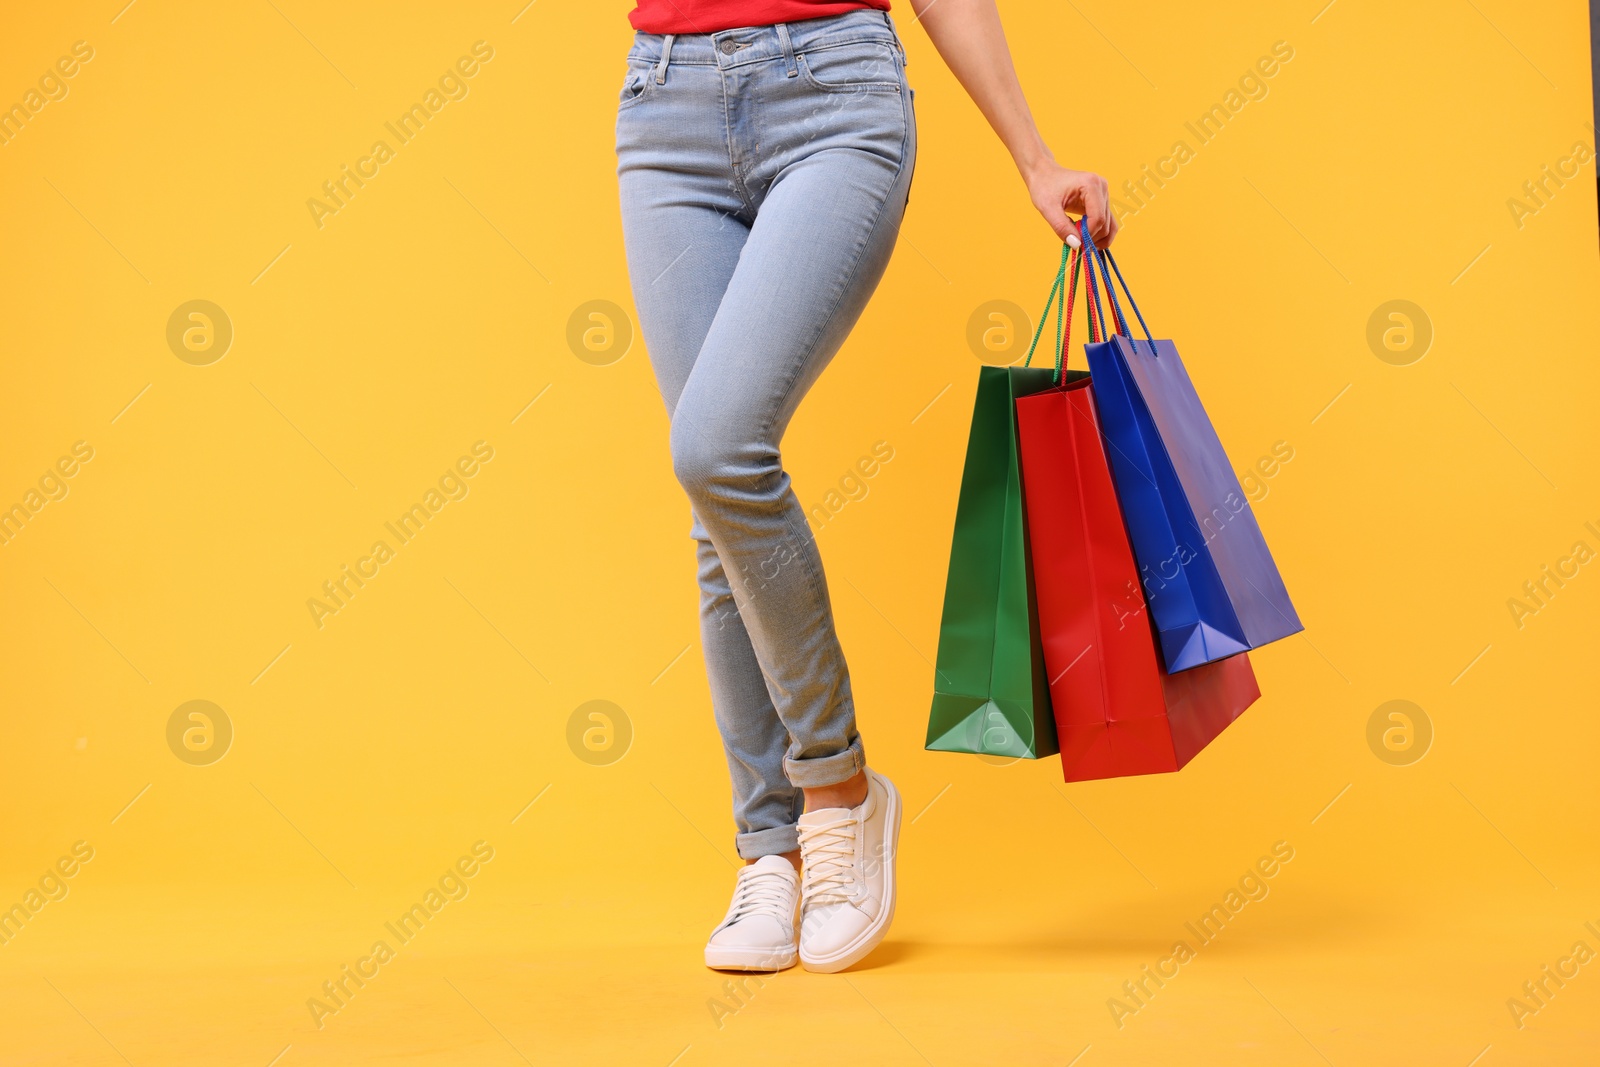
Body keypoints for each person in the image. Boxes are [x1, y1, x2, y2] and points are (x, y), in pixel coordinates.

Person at [615, 0, 1116, 973]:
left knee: (717, 447)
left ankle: (837, 791)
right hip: (661, 100)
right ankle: (770, 847)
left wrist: (1032, 157)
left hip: (831, 92)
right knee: (716, 499)